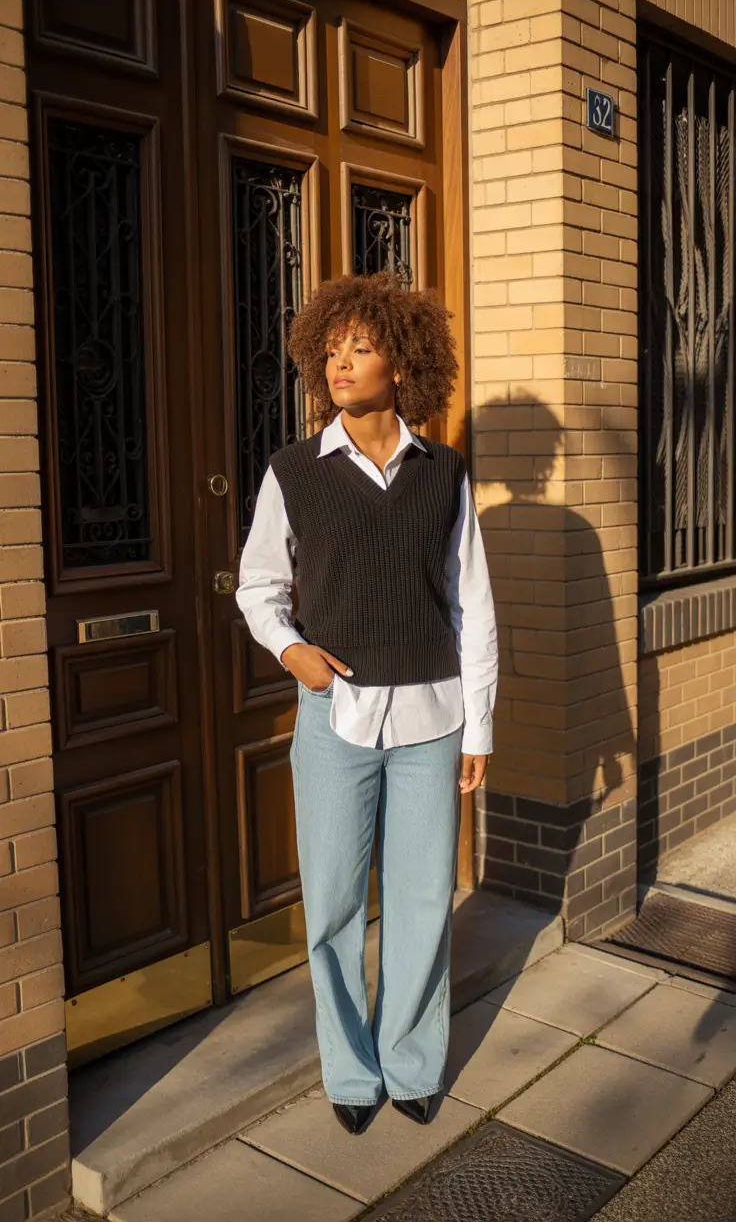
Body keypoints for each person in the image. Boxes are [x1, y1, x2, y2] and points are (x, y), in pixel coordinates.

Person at [236, 271, 498, 1136]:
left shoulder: (445, 473)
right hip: (335, 719)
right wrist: (295, 653)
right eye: (331, 350)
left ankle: (414, 1064)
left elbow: (472, 603)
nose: (341, 364)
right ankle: (352, 1074)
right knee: (337, 903)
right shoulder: (294, 472)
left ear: (403, 362)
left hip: (433, 717)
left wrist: (480, 726)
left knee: (424, 901)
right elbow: (258, 586)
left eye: (362, 347)